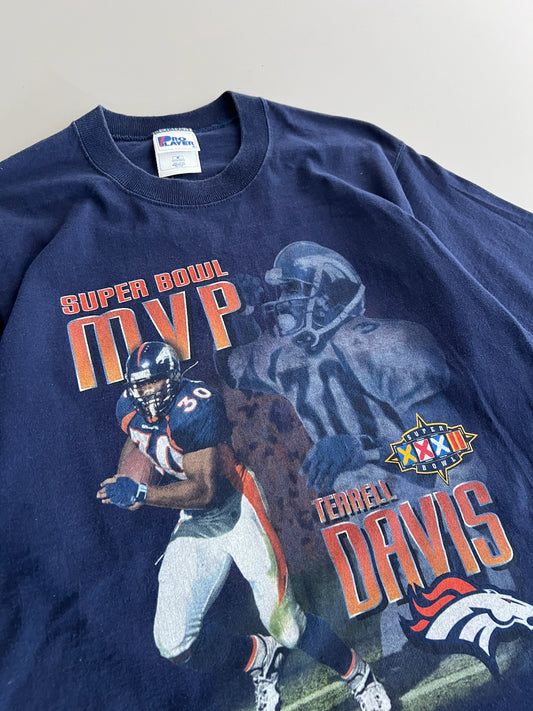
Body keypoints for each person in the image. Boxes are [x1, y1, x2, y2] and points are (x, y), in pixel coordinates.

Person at [97, 341, 391, 711]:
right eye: (140, 385)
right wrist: (128, 474)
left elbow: (205, 491)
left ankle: (359, 676)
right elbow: (136, 435)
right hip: (196, 522)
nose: (147, 393)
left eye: (154, 382)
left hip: (237, 507)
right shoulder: (127, 407)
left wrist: (142, 492)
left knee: (289, 628)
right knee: (173, 642)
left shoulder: (196, 406)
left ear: (172, 377)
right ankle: (260, 658)